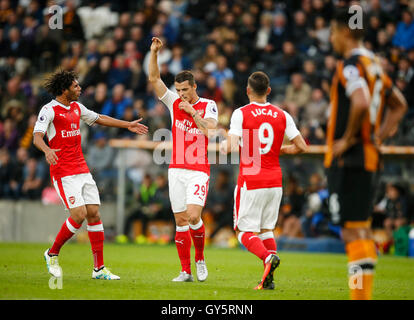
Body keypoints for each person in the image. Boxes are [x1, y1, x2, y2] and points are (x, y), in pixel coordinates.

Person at [33, 70, 148, 280]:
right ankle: (52, 253)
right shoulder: (49, 110)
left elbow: (99, 118)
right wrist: (47, 150)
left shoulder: (77, 107)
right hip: (63, 171)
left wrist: (127, 124)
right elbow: (37, 136)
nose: (80, 89)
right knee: (79, 215)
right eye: (75, 86)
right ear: (64, 89)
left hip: (82, 169)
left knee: (94, 213)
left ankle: (99, 269)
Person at [325, 7, 407, 300]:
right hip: (369, 156)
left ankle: (360, 298)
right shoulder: (374, 64)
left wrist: (348, 139)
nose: (331, 37)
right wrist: (378, 136)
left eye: (333, 31)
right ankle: (362, 297)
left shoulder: (351, 64)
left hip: (352, 159)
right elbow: (399, 104)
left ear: (345, 32)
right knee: (361, 229)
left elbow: (359, 102)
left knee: (352, 232)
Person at [219, 71, 307, 290]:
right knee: (266, 230)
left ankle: (268, 259)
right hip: (275, 181)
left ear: (247, 90)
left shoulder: (241, 113)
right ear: (268, 91)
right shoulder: (282, 115)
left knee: (243, 233)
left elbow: (229, 147)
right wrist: (280, 149)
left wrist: (222, 144)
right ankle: (269, 279)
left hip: (251, 180)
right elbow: (302, 147)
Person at [148, 37, 218, 282]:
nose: (180, 95)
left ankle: (199, 258)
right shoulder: (173, 102)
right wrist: (154, 52)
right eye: (177, 91)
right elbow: (154, 80)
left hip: (198, 169)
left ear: (194, 87)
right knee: (180, 220)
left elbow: (209, 130)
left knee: (194, 216)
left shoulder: (209, 105)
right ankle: (185, 270)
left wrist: (192, 113)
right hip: (176, 169)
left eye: (185, 90)